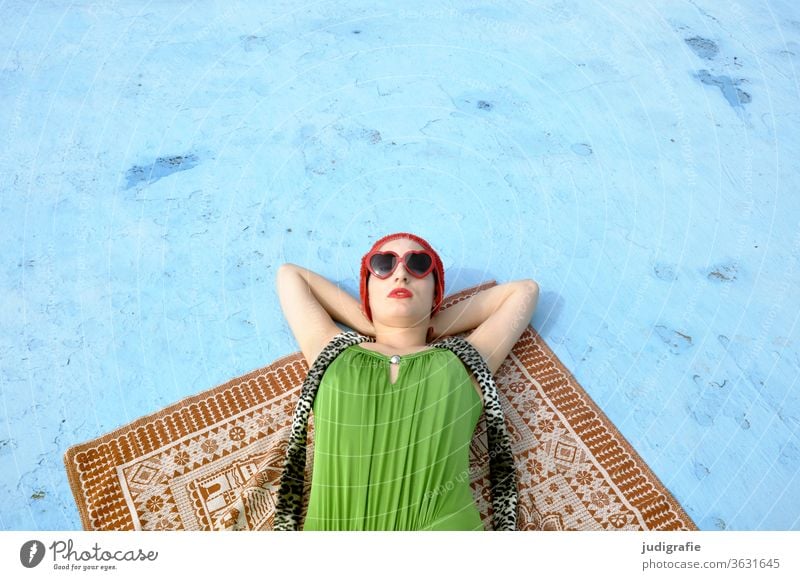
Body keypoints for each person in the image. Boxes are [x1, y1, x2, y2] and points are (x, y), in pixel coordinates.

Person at [275, 232, 539, 530]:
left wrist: (432, 322)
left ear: (435, 293)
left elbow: (525, 292)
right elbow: (290, 276)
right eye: (383, 264)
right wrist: (371, 320)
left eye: (419, 264)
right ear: (368, 291)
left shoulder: (465, 362)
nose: (400, 273)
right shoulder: (333, 351)